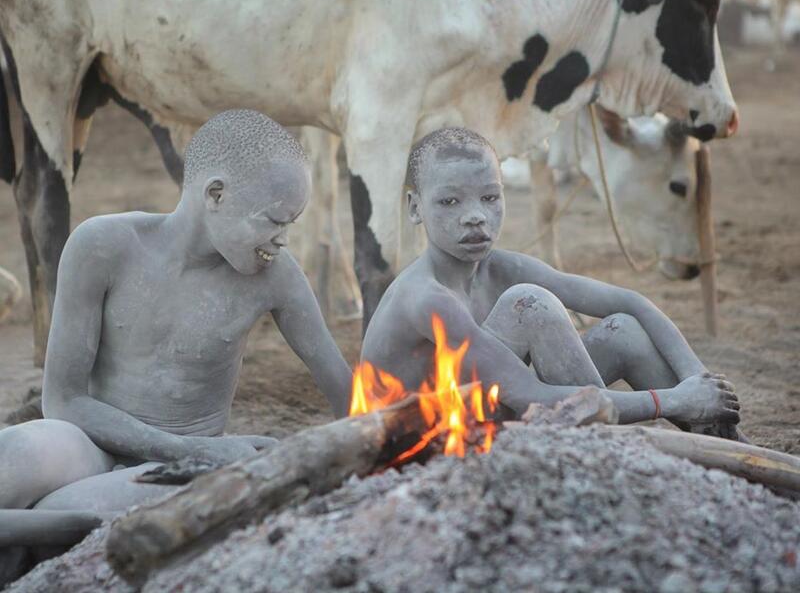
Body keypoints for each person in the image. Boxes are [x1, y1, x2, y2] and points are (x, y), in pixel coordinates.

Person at [0, 109, 353, 519]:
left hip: (174, 472)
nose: (285, 240)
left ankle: (34, 529)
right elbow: (63, 400)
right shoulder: (102, 246)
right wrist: (195, 447)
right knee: (16, 455)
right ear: (216, 195)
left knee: (72, 510)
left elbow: (347, 392)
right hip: (87, 443)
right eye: (275, 221)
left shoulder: (276, 278)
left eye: (292, 223)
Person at [362, 127, 741, 436]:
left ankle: (733, 446)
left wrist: (698, 380)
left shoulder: (501, 268)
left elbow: (632, 303)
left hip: (488, 416)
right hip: (429, 445)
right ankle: (605, 448)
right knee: (529, 304)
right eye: (449, 202)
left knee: (623, 331)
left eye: (489, 197)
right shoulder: (425, 296)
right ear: (415, 208)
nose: (475, 216)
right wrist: (672, 400)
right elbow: (530, 396)